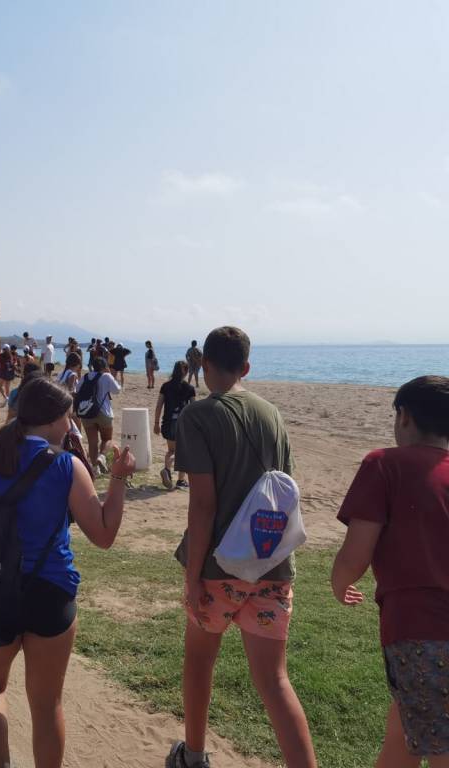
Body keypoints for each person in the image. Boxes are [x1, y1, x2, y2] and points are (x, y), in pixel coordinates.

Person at [0, 376, 136, 768]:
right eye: (68, 417)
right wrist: (118, 478)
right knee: (47, 704)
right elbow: (103, 535)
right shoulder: (66, 465)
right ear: (53, 420)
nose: (71, 425)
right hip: (49, 591)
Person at [168, 326, 316, 768]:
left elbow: (203, 505)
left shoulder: (197, 416)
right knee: (274, 681)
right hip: (272, 565)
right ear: (246, 367)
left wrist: (193, 577)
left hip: (219, 567)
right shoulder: (272, 414)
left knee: (199, 662)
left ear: (203, 364)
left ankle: (194, 756)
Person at [331, 375, 449, 768]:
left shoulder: (383, 464)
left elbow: (356, 554)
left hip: (421, 633)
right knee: (403, 731)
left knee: (440, 747)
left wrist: (339, 582)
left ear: (404, 416)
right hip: (427, 637)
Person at [76, 357, 121, 474]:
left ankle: (95, 469)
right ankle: (102, 457)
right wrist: (111, 375)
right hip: (103, 412)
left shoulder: (86, 376)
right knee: (107, 439)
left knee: (92, 442)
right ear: (105, 366)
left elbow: (77, 389)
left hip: (86, 412)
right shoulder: (106, 376)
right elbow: (117, 390)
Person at [154, 361, 195, 489]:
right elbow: (193, 409)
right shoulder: (189, 388)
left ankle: (168, 472)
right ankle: (178, 478)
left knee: (171, 450)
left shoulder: (165, 386)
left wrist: (156, 423)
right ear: (186, 372)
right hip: (183, 424)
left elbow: (159, 406)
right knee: (182, 453)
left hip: (168, 422)